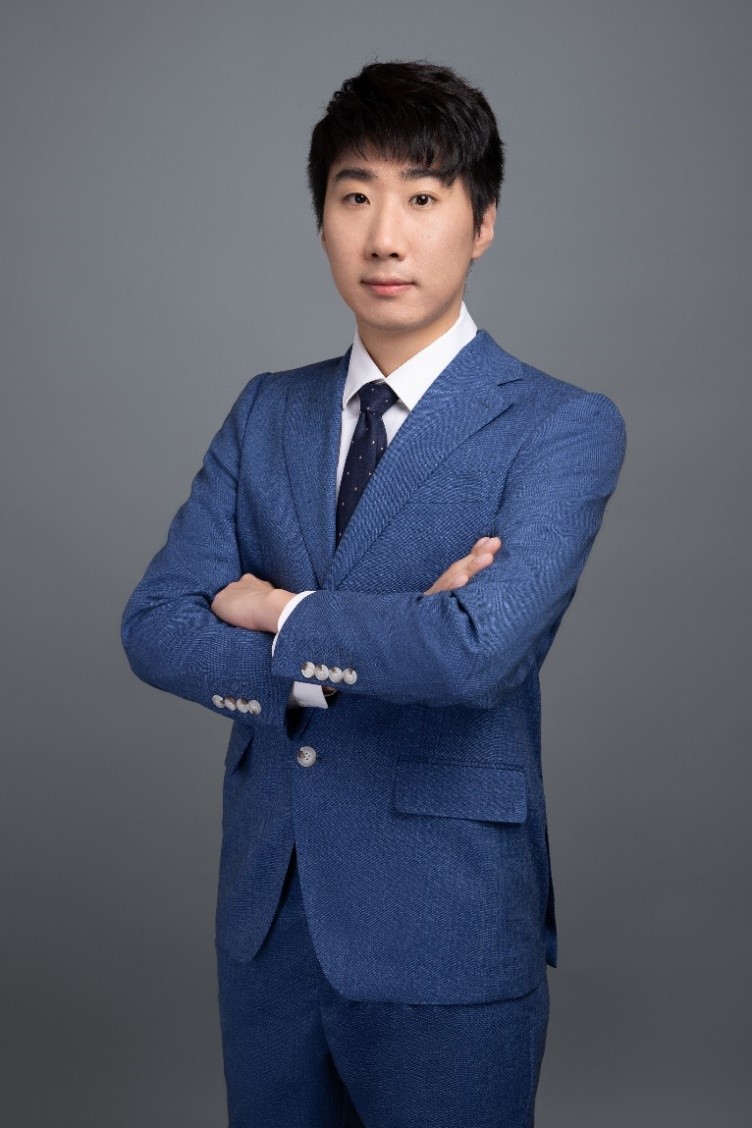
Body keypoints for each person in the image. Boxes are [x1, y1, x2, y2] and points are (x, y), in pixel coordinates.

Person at [121, 59, 626, 1127]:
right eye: (355, 197)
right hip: (272, 923)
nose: (384, 237)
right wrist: (384, 641)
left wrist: (280, 612)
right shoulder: (267, 410)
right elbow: (157, 626)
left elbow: (476, 651)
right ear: (321, 221)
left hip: (445, 922)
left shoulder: (560, 425)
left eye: (423, 198)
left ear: (482, 223)